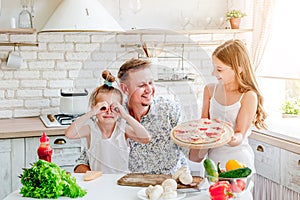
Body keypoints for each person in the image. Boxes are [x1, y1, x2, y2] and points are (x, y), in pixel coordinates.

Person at [74, 58, 189, 174]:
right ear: (125, 89)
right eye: (141, 85)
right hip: (128, 186)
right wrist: (98, 179)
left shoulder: (170, 109)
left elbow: (192, 153)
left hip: (170, 183)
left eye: (150, 83)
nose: (149, 90)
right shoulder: (112, 114)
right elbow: (85, 160)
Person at [189, 39, 267, 172]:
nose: (214, 73)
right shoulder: (209, 90)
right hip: (212, 163)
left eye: (219, 69)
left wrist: (227, 134)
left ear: (239, 69)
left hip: (238, 164)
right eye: (214, 68)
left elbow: (239, 135)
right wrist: (205, 130)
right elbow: (204, 125)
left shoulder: (248, 96)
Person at [65, 70, 150, 174]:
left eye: (114, 108)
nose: (109, 111)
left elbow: (146, 138)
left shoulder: (122, 129)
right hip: (98, 182)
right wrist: (91, 113)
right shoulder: (90, 130)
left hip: (121, 182)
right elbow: (69, 134)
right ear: (95, 108)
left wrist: (125, 116)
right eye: (103, 108)